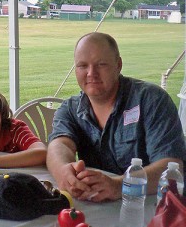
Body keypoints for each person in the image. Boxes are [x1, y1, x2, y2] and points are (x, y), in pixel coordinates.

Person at [47, 32, 186, 202]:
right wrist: (64, 171)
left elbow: (171, 166)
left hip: (152, 206)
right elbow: (59, 145)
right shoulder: (70, 108)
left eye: (101, 64)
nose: (91, 73)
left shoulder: (150, 100)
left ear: (118, 65)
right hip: (101, 207)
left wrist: (119, 185)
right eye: (83, 65)